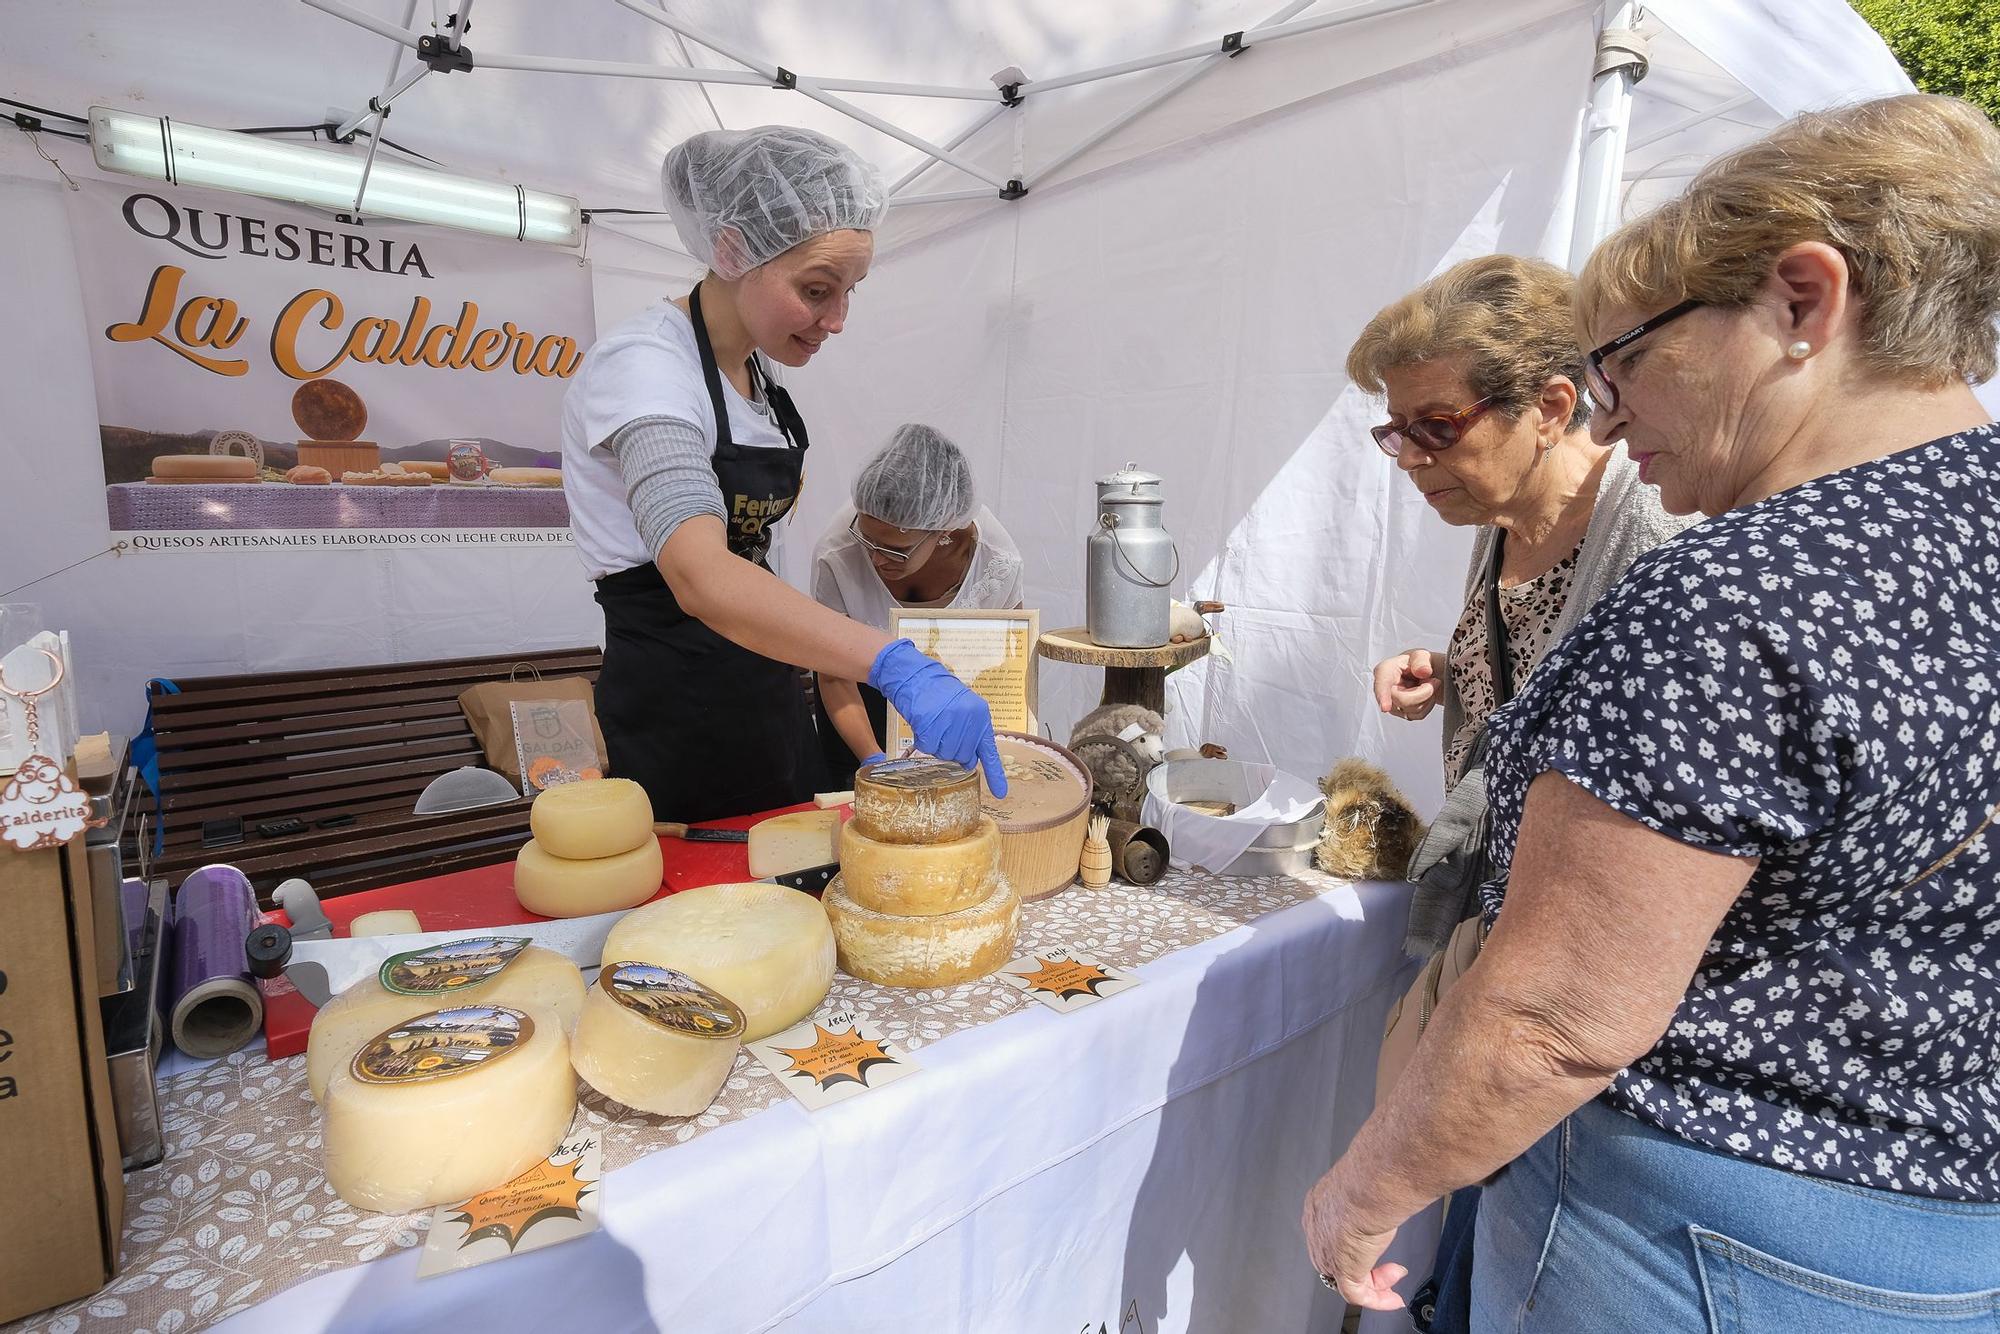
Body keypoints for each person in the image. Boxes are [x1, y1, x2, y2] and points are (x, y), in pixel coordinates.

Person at [1304, 93, 2000, 1331]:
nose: (1615, 411)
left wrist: (1365, 1190)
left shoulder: (1733, 582)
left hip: (1689, 1238)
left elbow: (1557, 1016)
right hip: (1939, 1226)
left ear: (1800, 301)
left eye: (1625, 359)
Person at [1347, 253, 1688, 1329]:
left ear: (1548, 404)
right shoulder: (1496, 520)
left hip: (1565, 979)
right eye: (1392, 430)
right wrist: (1446, 672)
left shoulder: (1650, 534)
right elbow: (1540, 677)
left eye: (1432, 426)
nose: (1407, 458)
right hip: (1494, 927)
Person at [560, 126, 1006, 821]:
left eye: (851, 290)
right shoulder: (646, 370)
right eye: (817, 289)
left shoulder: (757, 375)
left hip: (763, 689)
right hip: (678, 709)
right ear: (733, 249)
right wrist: (894, 663)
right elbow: (702, 575)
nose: (837, 320)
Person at [809, 423, 1024, 786]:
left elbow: (1007, 673)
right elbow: (832, 674)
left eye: (895, 550)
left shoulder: (996, 561)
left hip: (952, 704)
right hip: (856, 707)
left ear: (944, 532)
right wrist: (872, 759)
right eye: (867, 540)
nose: (876, 560)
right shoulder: (838, 554)